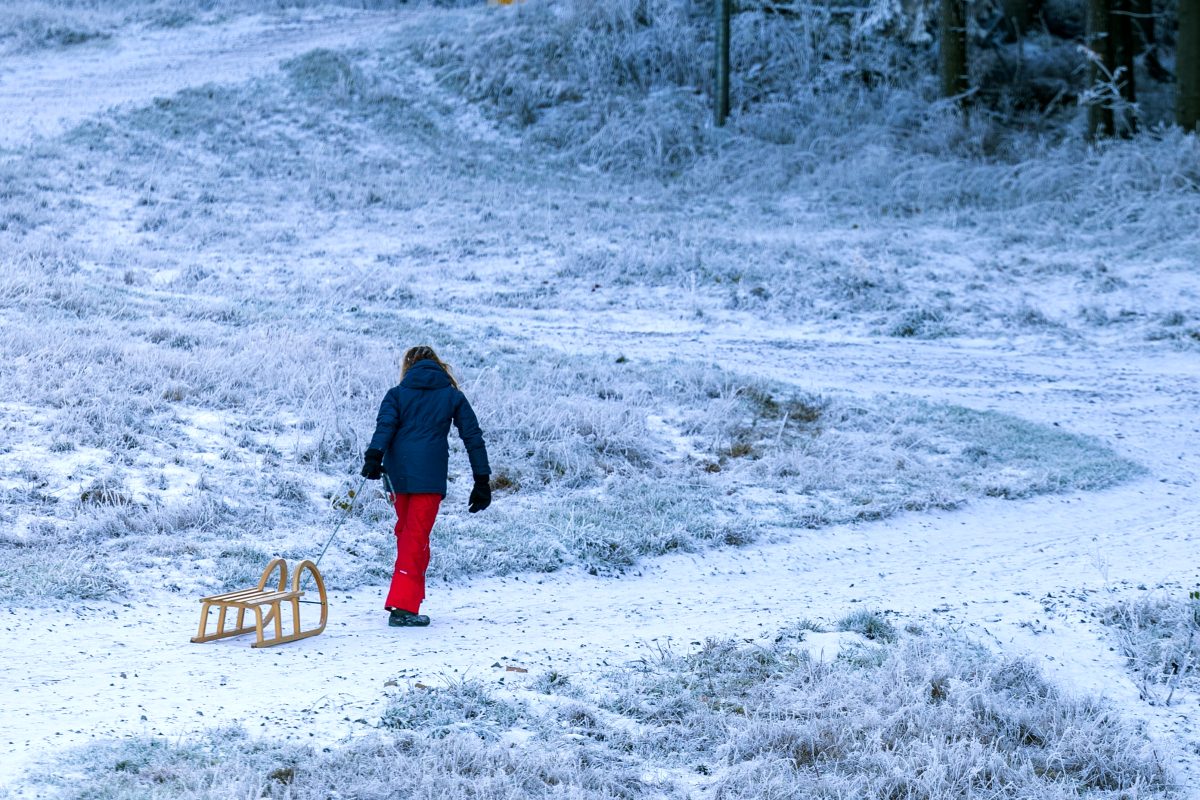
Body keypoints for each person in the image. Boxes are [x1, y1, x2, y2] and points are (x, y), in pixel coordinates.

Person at [361, 346, 491, 627]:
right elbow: (473, 437)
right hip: (429, 478)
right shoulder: (452, 396)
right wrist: (481, 480)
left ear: (408, 366)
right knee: (414, 538)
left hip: (399, 477)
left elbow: (384, 427)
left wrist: (374, 456)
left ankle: (408, 601)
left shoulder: (396, 394)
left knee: (409, 535)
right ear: (437, 365)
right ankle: (403, 607)